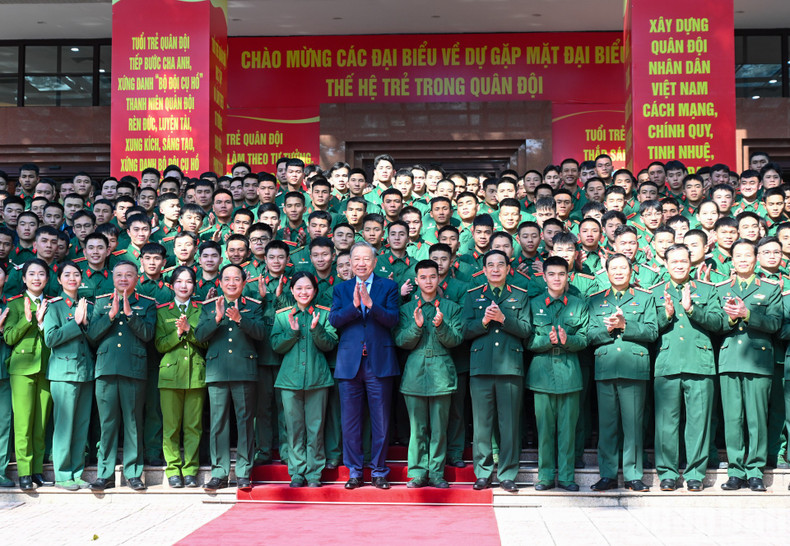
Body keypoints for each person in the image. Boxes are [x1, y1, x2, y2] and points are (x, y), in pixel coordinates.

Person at [651, 244, 725, 492]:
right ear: (666, 264)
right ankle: (668, 473)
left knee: (699, 422)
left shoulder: (707, 290)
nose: (679, 265)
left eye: (684, 261)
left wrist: (693, 309)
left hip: (700, 364)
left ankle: (695, 473)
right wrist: (666, 315)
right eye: (674, 261)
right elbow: (648, 329)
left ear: (691, 263)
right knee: (666, 424)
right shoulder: (654, 293)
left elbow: (719, 322)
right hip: (667, 363)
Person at [329, 241, 400, 490]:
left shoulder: (388, 287)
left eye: (366, 259)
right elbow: (335, 319)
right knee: (350, 421)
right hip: (350, 363)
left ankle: (380, 471)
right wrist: (355, 306)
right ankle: (355, 471)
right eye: (356, 259)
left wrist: (371, 304)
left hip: (379, 362)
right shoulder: (341, 289)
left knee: (380, 420)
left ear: (374, 262)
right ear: (349, 261)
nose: (361, 263)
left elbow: (392, 319)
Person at [462, 250, 531, 493]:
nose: (495, 269)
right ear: (484, 269)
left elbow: (526, 330)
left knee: (509, 424)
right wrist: (482, 322)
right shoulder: (472, 295)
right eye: (490, 265)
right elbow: (463, 330)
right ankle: (482, 472)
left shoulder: (520, 296)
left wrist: (503, 318)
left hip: (510, 367)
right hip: (481, 367)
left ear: (508, 268)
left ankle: (508, 473)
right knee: (482, 424)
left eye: (500, 264)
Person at [587, 254, 657, 492]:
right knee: (607, 426)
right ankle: (607, 474)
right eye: (613, 268)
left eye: (623, 268)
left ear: (631, 271)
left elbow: (651, 331)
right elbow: (588, 336)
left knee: (633, 426)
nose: (618, 272)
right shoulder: (595, 300)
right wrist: (607, 329)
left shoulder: (645, 298)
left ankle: (633, 475)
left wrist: (625, 326)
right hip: (605, 368)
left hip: (634, 368)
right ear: (606, 272)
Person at [716, 239, 782, 492]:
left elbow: (775, 323)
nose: (743, 259)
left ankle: (755, 471)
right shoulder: (721, 288)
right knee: (733, 419)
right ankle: (735, 470)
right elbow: (715, 323)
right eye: (738, 255)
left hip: (759, 360)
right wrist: (731, 319)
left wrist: (748, 315)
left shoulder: (770, 287)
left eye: (747, 255)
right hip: (729, 359)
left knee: (756, 419)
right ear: (731, 260)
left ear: (755, 259)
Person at [195, 264, 265, 492]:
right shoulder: (208, 307)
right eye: (227, 279)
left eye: (236, 279)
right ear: (220, 282)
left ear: (244, 283)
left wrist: (240, 319)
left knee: (245, 423)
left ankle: (244, 472)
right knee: (218, 424)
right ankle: (219, 473)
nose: (232, 283)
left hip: (244, 370)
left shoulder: (253, 306)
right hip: (217, 372)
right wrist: (215, 319)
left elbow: (261, 333)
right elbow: (199, 336)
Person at [88, 260, 157, 491]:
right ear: (112, 278)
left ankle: (133, 473)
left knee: (133, 423)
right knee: (107, 424)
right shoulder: (100, 303)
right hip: (106, 370)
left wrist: (129, 315)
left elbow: (148, 335)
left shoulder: (146, 304)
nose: (123, 279)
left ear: (137, 278)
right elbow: (92, 336)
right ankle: (104, 473)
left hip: (134, 370)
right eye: (119, 275)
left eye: (129, 275)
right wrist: (110, 316)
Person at [394, 259, 463, 488]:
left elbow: (455, 341)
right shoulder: (406, 309)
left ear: (439, 277)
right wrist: (416, 326)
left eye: (432, 276)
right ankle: (417, 472)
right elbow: (401, 341)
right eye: (423, 277)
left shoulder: (451, 308)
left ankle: (436, 473)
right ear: (416, 280)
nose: (428, 281)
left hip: (441, 374)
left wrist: (441, 326)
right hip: (415, 373)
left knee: (439, 427)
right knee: (418, 428)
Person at [526, 256, 589, 492]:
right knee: (544, 431)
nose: (556, 278)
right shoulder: (533, 304)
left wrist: (567, 340)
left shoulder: (578, 304)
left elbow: (584, 338)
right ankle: (544, 477)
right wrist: (546, 340)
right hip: (542, 375)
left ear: (568, 277)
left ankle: (566, 477)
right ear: (544, 277)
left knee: (567, 431)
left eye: (561, 274)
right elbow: (527, 338)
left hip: (569, 374)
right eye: (551, 274)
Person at [271, 272, 337, 487]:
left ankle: (314, 473)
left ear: (315, 291)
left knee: (315, 428)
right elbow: (275, 346)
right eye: (298, 288)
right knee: (294, 428)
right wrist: (291, 332)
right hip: (289, 381)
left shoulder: (324, 314)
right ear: (291, 291)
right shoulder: (282, 316)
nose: (303, 292)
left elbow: (329, 344)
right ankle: (297, 472)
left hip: (318, 379)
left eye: (308, 288)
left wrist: (316, 329)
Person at [42, 261, 95, 491]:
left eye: (76, 274)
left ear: (81, 278)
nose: (72, 278)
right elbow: (50, 339)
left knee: (81, 427)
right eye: (67, 274)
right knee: (64, 426)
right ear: (60, 279)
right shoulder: (54, 306)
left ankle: (76, 472)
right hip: (63, 373)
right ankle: (62, 474)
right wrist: (76, 322)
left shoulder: (87, 305)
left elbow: (93, 338)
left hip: (85, 371)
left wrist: (85, 322)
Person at [154, 266, 207, 488]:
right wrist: (178, 333)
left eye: (188, 282)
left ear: (195, 285)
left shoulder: (203, 310)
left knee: (193, 426)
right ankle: (173, 469)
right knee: (171, 426)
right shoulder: (162, 311)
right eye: (179, 282)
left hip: (196, 374)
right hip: (170, 375)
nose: (184, 286)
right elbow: (159, 344)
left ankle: (191, 469)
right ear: (171, 285)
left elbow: (206, 342)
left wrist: (190, 331)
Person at [4, 258, 52, 492]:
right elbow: (10, 337)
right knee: (23, 422)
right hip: (22, 369)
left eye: (41, 274)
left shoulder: (53, 303)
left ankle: (37, 470)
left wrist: (42, 322)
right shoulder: (14, 304)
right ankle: (24, 471)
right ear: (23, 279)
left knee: (41, 423)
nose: (36, 278)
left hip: (46, 367)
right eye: (31, 274)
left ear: (47, 278)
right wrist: (28, 319)